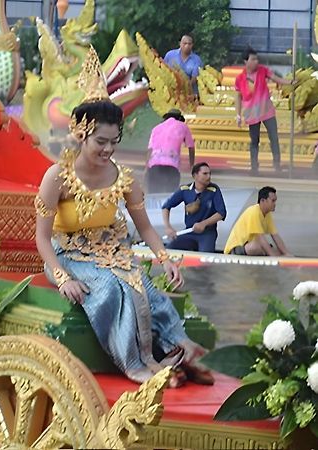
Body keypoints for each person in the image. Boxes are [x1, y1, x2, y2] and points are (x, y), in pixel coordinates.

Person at [35, 47, 213, 385]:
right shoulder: (56, 177)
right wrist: (63, 278)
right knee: (111, 290)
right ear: (81, 134)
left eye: (114, 142)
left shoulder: (123, 176)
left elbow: (145, 227)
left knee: (144, 287)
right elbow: (42, 238)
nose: (108, 150)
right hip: (66, 254)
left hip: (112, 252)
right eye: (101, 142)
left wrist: (165, 258)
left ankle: (179, 352)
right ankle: (136, 364)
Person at [235, 47, 294, 174]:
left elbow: (276, 79)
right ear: (246, 61)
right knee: (254, 140)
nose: (256, 61)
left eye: (257, 59)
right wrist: (238, 115)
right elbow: (238, 97)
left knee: (274, 137)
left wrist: (290, 82)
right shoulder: (240, 78)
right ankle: (254, 166)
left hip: (267, 110)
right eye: (253, 59)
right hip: (251, 113)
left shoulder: (263, 70)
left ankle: (277, 164)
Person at [162, 162, 226, 253]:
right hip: (189, 232)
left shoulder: (214, 190)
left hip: (207, 234)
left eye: (209, 174)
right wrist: (168, 227)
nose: (208, 176)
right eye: (205, 174)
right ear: (195, 175)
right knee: (168, 251)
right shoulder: (184, 190)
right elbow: (166, 207)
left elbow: (221, 213)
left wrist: (204, 224)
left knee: (205, 259)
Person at [224, 186, 292, 256]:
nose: (275, 204)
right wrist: (273, 256)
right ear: (262, 200)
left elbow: (275, 235)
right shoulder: (254, 211)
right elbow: (260, 238)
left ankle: (268, 254)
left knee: (278, 251)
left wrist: (286, 253)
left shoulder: (267, 214)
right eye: (273, 201)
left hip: (249, 246)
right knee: (258, 246)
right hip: (235, 249)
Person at [145, 108, 195, 193]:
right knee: (170, 196)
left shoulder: (156, 128)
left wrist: (146, 168)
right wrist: (192, 165)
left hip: (154, 166)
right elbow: (191, 147)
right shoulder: (183, 126)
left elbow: (150, 150)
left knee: (153, 195)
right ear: (179, 118)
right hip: (172, 166)